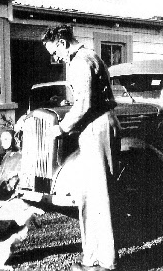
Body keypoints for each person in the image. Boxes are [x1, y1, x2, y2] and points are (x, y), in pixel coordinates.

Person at [42, 25, 121, 271]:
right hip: (93, 128)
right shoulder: (87, 57)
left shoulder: (81, 61)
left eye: (54, 52)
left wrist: (61, 128)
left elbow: (85, 104)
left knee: (99, 195)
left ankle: (106, 263)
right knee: (89, 195)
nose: (55, 58)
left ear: (63, 43)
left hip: (97, 127)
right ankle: (91, 258)